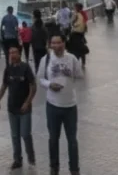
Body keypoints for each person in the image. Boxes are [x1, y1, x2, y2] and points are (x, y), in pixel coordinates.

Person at [37, 34, 84, 175]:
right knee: (53, 139)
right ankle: (54, 167)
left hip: (70, 106)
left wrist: (68, 83)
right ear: (50, 44)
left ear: (64, 43)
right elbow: (40, 79)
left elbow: (79, 75)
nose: (56, 46)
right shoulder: (46, 60)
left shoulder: (72, 58)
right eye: (53, 43)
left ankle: (74, 169)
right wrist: (50, 84)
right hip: (53, 105)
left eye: (59, 43)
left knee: (72, 140)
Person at [0, 45, 36, 170]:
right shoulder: (8, 69)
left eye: (14, 52)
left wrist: (27, 102)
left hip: (24, 109)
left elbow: (33, 86)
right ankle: (17, 160)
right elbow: (4, 86)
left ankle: (31, 157)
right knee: (14, 135)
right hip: (12, 108)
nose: (12, 55)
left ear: (19, 54)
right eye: (10, 53)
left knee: (25, 134)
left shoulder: (25, 67)